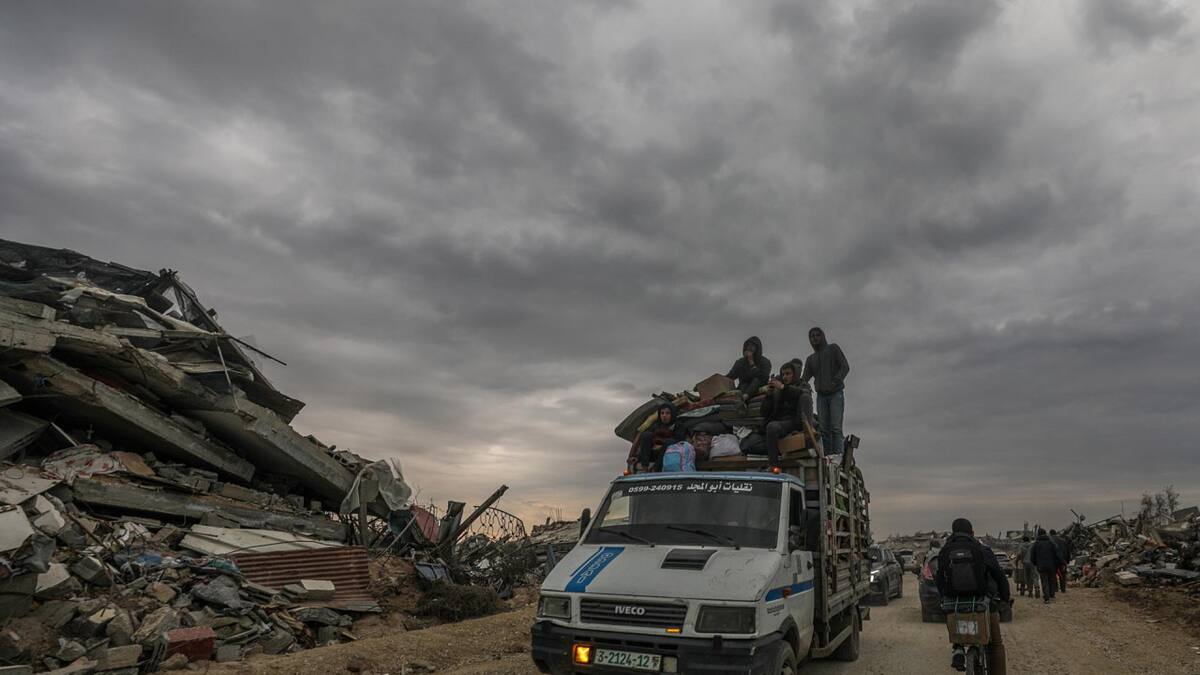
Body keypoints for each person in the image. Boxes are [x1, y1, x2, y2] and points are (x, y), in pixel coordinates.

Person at [935, 518, 1009, 675]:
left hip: (954, 604)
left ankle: (958, 648)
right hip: (981, 602)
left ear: (953, 532)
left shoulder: (945, 551)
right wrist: (1005, 598)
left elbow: (939, 578)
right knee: (995, 643)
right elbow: (999, 575)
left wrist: (943, 599)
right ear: (972, 532)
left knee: (955, 625)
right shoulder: (982, 550)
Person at [801, 327, 849, 455]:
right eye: (812, 336)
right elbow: (804, 379)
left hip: (836, 394)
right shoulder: (811, 359)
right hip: (821, 396)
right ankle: (827, 457)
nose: (815, 338)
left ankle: (838, 457)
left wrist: (835, 382)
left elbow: (845, 367)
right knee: (824, 430)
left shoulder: (833, 349)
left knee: (835, 428)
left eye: (818, 335)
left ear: (822, 336)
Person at [759, 360, 809, 467]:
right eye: (783, 374)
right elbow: (764, 412)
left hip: (793, 422)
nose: (785, 377)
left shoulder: (802, 386)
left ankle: (774, 465)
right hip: (779, 423)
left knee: (772, 427)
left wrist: (782, 387)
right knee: (749, 442)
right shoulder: (777, 390)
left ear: (794, 374)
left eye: (788, 374)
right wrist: (769, 396)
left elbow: (801, 393)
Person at [629, 402, 683, 472]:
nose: (664, 415)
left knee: (670, 442)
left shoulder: (678, 426)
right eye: (662, 413)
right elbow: (646, 444)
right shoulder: (656, 426)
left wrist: (662, 445)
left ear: (672, 414)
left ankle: (656, 469)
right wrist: (637, 457)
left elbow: (679, 441)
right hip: (653, 453)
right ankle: (644, 466)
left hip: (668, 453)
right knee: (646, 435)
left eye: (667, 413)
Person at [1030, 528, 1064, 603]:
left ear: (1038, 534)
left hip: (1041, 566)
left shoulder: (1036, 544)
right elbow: (1058, 554)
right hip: (1052, 565)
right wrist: (1059, 563)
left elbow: (1032, 556)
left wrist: (1035, 563)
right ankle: (1052, 595)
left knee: (1044, 581)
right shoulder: (1051, 543)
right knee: (1051, 580)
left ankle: (1047, 598)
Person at [1050, 529, 1070, 593]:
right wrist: (1067, 561)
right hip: (1062, 561)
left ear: (1050, 534)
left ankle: (1055, 588)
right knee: (1063, 575)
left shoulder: (1050, 541)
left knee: (1053, 575)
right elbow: (1068, 551)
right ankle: (1063, 589)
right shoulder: (1063, 541)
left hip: (1053, 561)